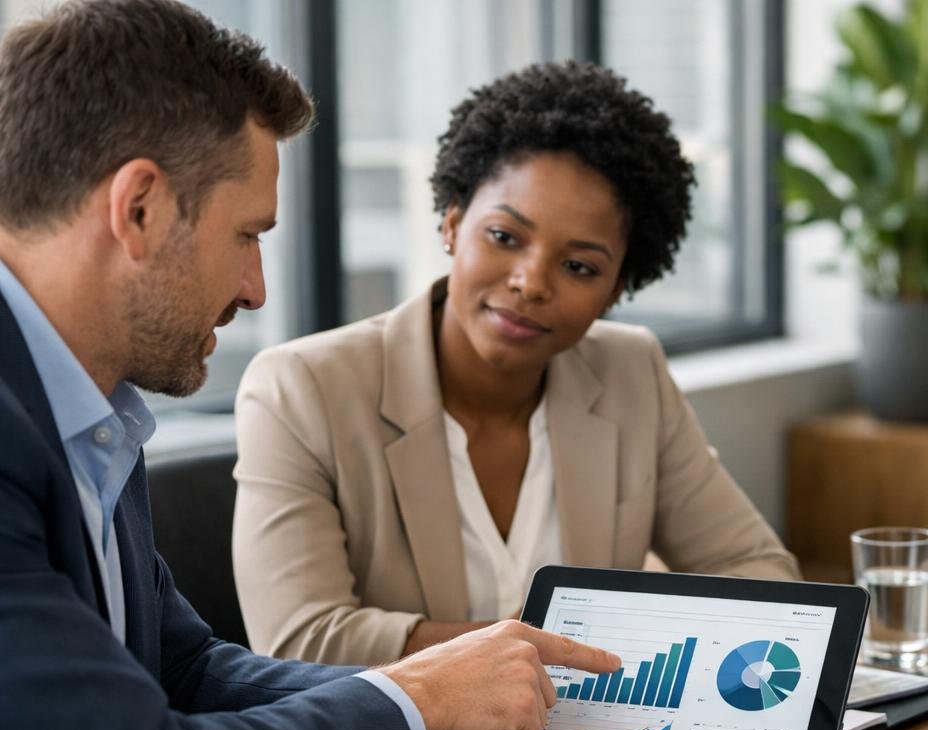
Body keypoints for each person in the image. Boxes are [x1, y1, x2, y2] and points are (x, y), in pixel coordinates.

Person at [0, 0, 620, 730]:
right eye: (247, 234)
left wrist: (432, 697)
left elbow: (180, 669)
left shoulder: (86, 404)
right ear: (137, 207)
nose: (256, 289)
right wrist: (407, 703)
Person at [232, 61, 799, 668]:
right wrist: (552, 654)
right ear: (452, 223)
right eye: (505, 236)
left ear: (616, 289)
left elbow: (762, 578)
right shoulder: (301, 389)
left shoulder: (631, 372)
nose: (531, 283)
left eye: (579, 266)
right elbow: (301, 642)